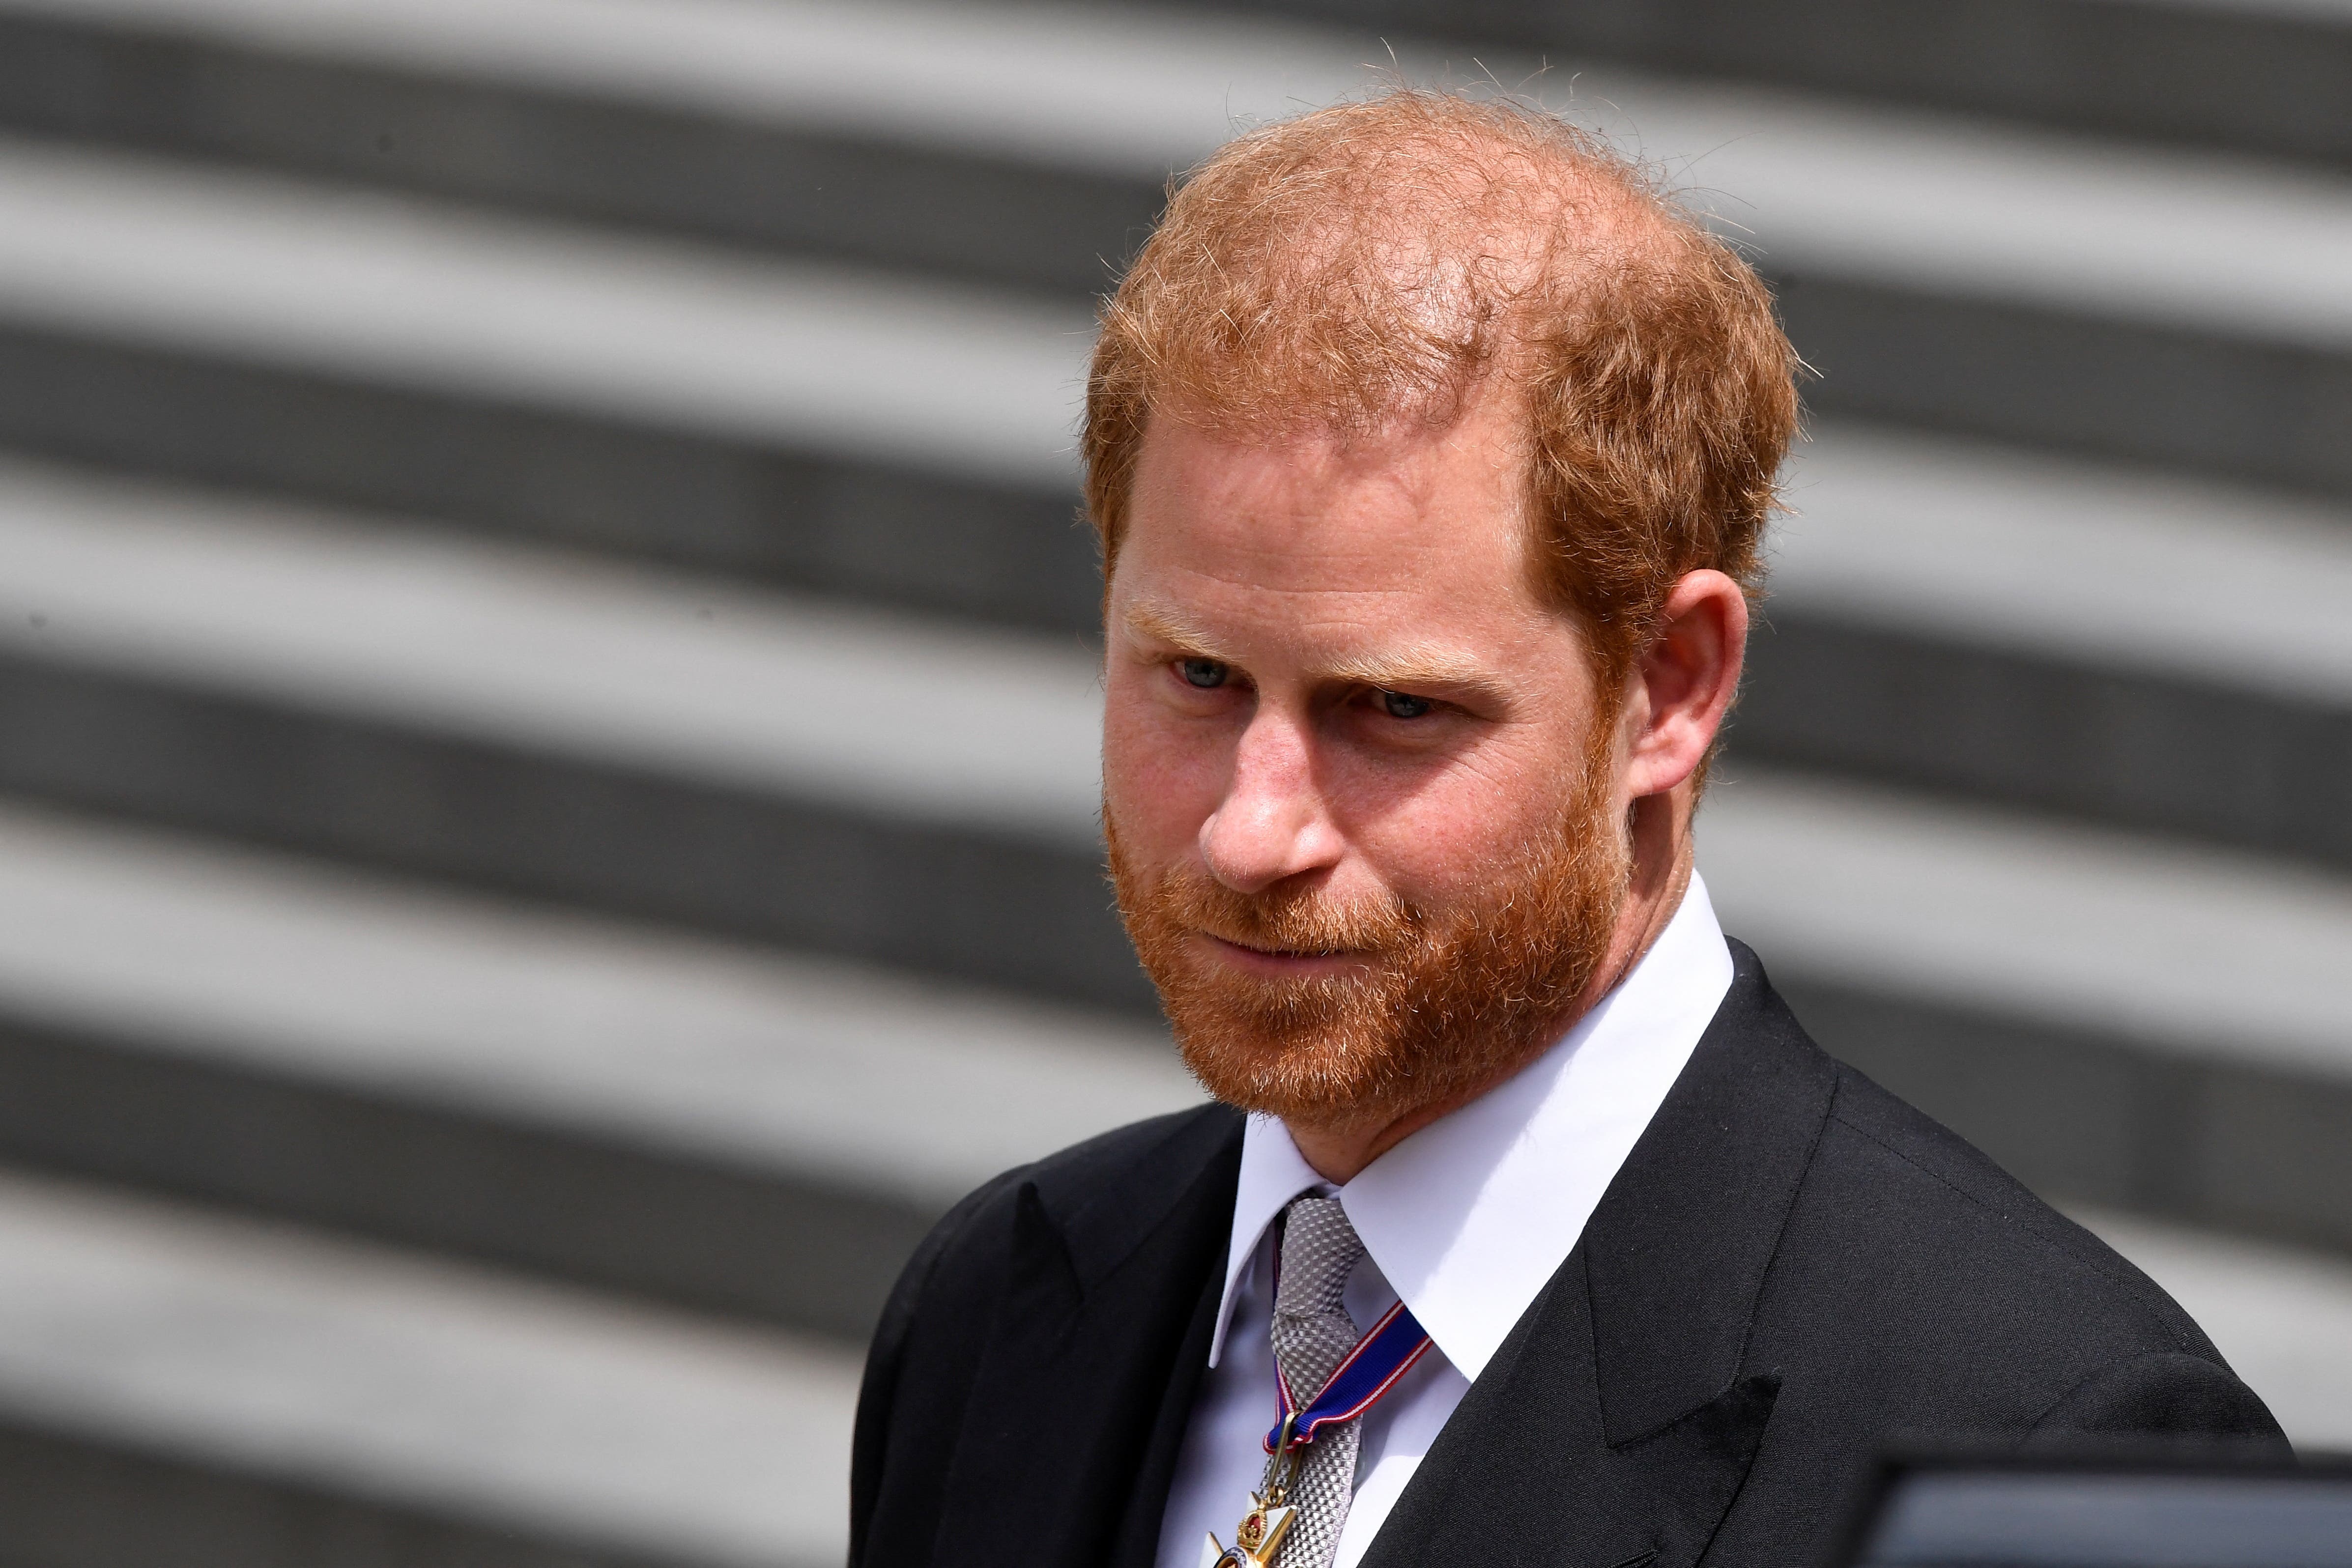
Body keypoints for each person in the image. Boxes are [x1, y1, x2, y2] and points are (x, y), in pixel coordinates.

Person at [846, 89, 2282, 1568]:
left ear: (1667, 691)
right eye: (1196, 677)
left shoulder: (2051, 1449)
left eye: (1392, 709)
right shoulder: (1000, 1310)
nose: (1249, 833)